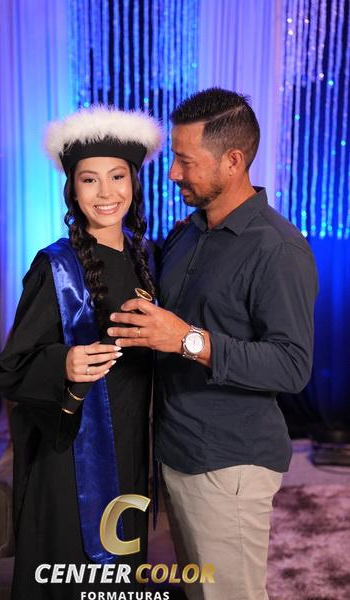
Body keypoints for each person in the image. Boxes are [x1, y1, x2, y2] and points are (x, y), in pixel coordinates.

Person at [107, 88, 318, 600]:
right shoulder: (188, 232)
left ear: (233, 161)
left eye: (185, 161)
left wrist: (187, 339)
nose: (172, 173)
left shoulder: (279, 249)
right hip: (177, 451)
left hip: (230, 465)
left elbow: (292, 366)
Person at [0, 105, 162, 599]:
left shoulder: (148, 256)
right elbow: (10, 369)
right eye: (90, 180)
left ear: (134, 182)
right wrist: (63, 362)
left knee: (123, 572)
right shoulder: (55, 268)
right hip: (73, 457)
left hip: (133, 445)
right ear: (73, 189)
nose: (106, 193)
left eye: (117, 176)